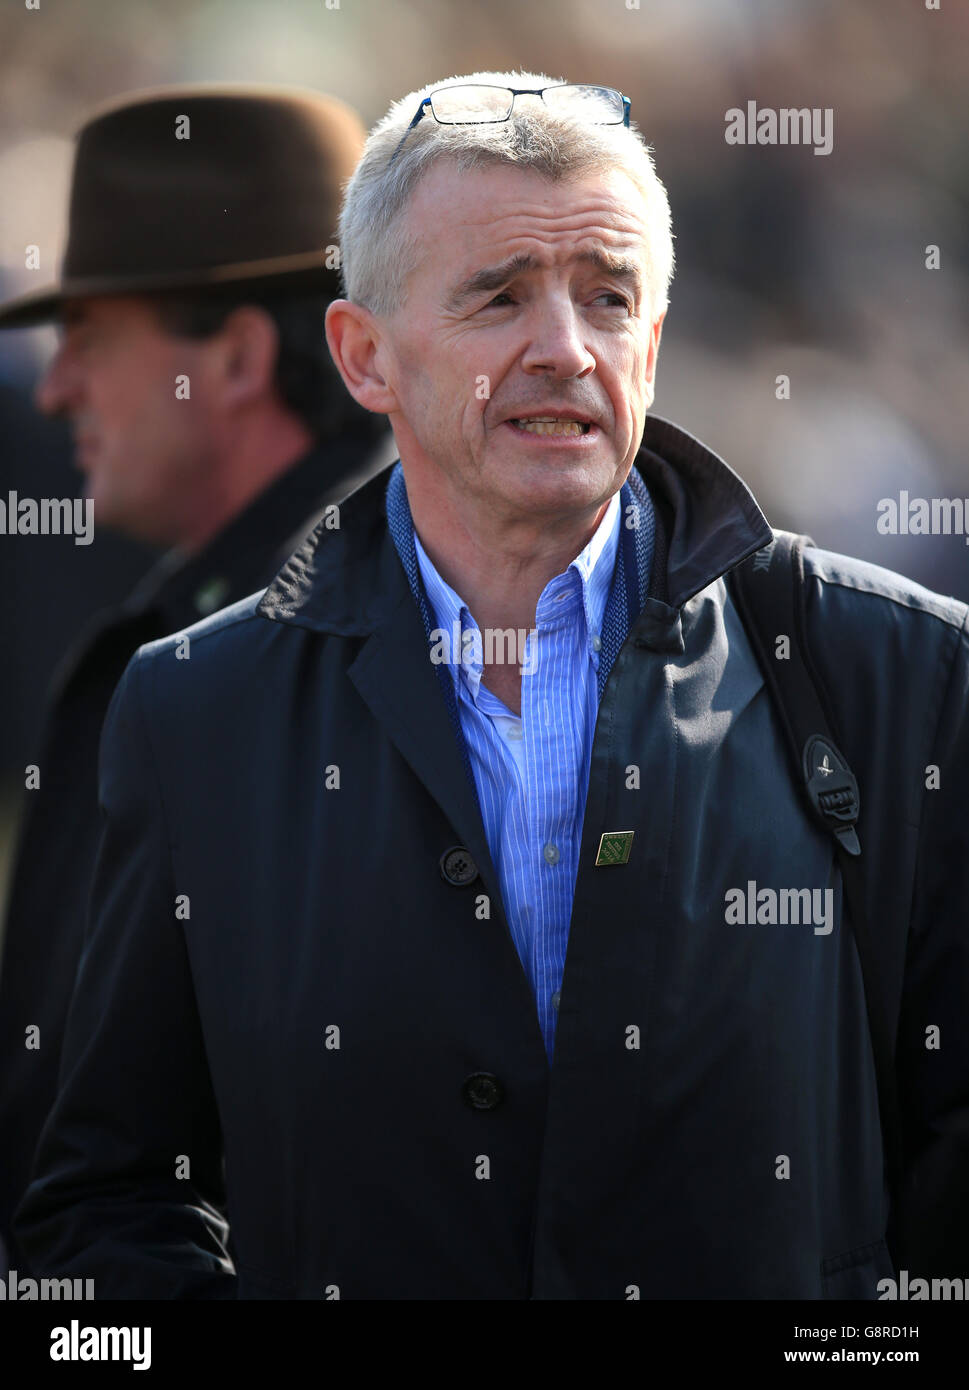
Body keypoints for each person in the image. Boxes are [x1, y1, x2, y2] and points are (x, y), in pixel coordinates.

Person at [15, 71, 969, 1300]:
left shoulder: (895, 671)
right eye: (500, 295)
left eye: (607, 297)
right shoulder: (195, 707)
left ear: (656, 344)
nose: (566, 348)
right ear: (366, 357)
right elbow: (108, 1193)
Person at [0, 85, 394, 1270]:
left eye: (90, 337)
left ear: (231, 357)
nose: (57, 384)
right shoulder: (297, 611)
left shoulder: (304, 655)